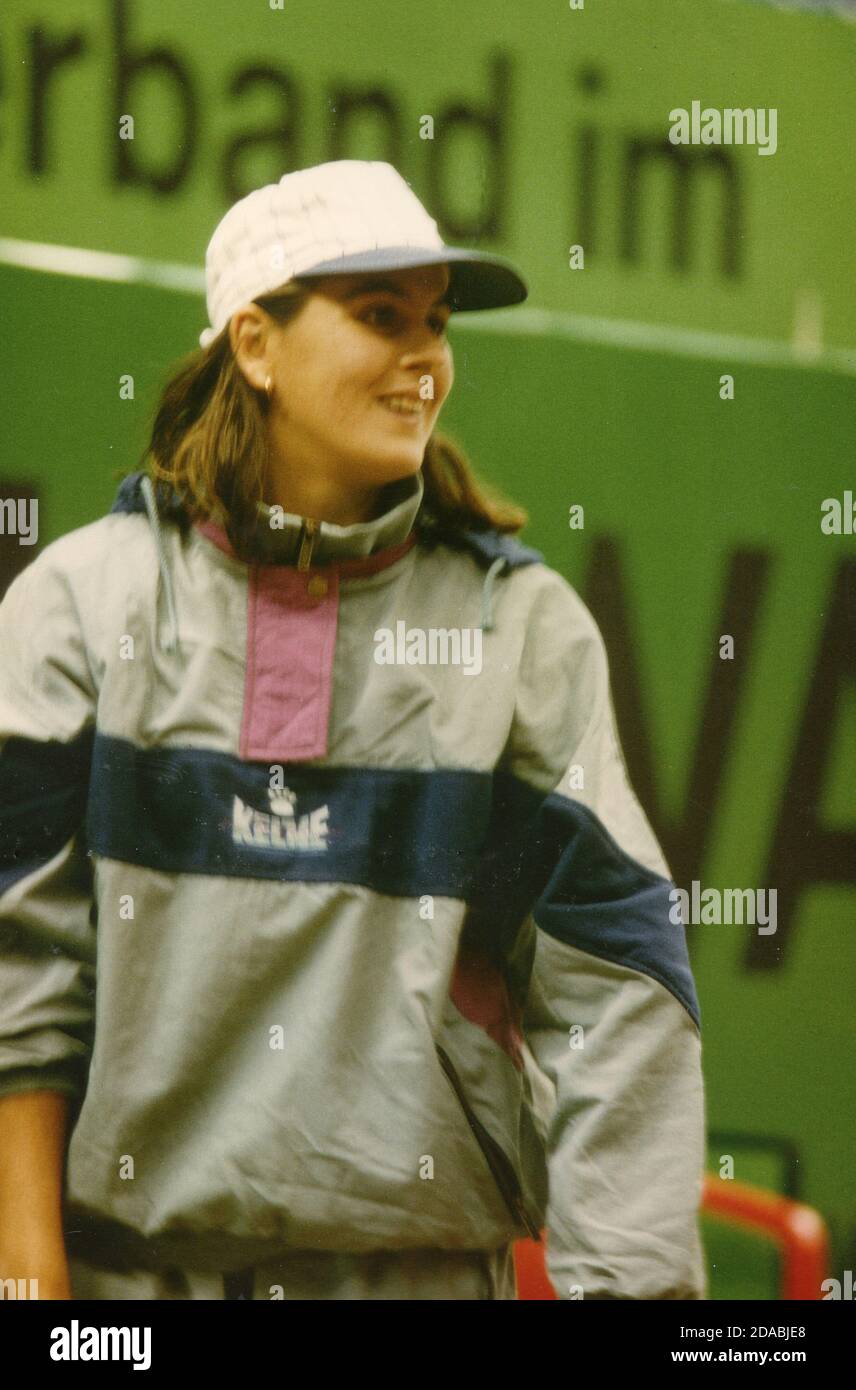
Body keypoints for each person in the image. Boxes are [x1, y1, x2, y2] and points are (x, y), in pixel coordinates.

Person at [0, 159, 706, 1301]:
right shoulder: (81, 603)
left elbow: (615, 996)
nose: (424, 358)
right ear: (255, 344)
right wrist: (25, 1279)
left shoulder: (521, 629)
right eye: (379, 317)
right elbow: (16, 978)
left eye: (434, 323)